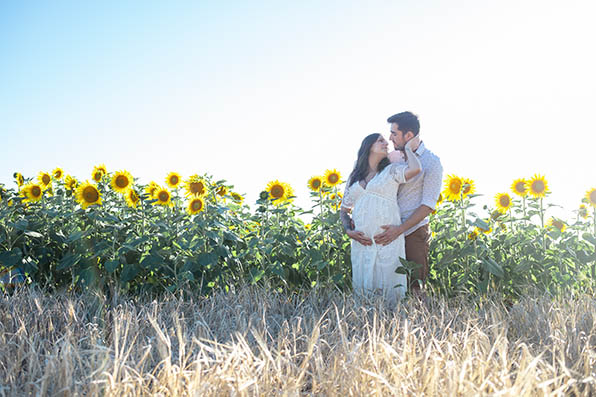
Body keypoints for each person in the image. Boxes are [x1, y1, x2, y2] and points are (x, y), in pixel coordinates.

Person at [340, 133, 421, 303]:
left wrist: (407, 149)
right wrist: (348, 230)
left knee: (390, 290)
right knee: (363, 293)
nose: (387, 143)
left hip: (387, 241)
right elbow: (344, 209)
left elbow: (415, 169)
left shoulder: (391, 171)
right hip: (362, 243)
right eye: (381, 140)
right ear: (369, 146)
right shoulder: (355, 176)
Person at [373, 111, 443, 294]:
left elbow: (428, 205)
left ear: (409, 136)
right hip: (387, 231)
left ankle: (421, 322)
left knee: (415, 288)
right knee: (387, 287)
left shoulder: (432, 162)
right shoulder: (392, 159)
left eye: (394, 133)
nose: (390, 138)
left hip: (413, 232)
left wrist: (400, 229)